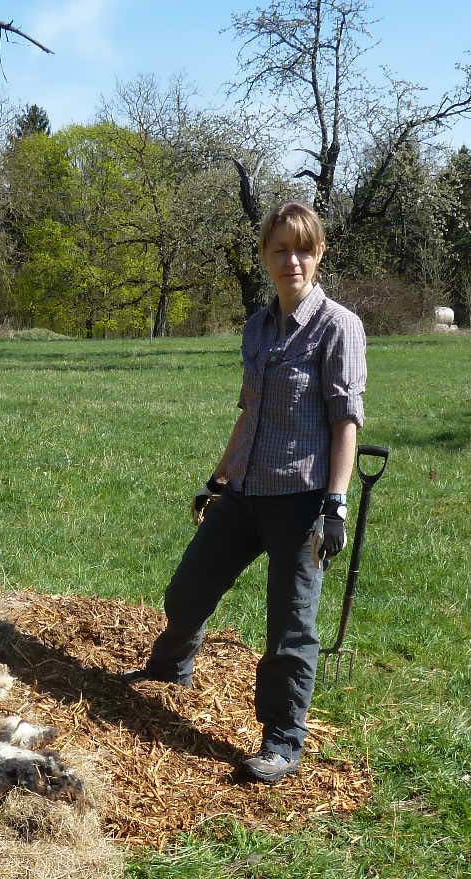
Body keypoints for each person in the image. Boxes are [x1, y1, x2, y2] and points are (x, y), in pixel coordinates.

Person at [122, 201, 366, 784]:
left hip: (302, 500)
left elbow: (345, 422)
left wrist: (336, 503)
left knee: (290, 627)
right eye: (280, 250)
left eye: (304, 249)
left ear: (320, 253)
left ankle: (282, 741)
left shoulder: (339, 327)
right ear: (264, 256)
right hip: (246, 492)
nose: (293, 261)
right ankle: (172, 664)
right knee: (187, 590)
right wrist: (219, 476)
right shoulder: (256, 328)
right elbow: (249, 413)